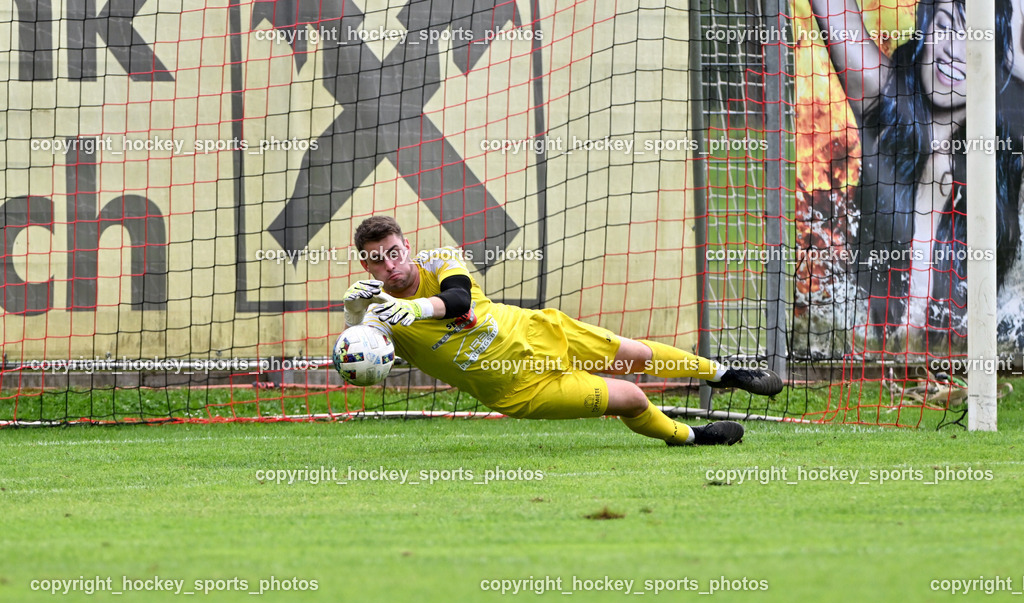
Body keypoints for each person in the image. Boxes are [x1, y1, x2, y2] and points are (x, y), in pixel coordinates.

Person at [341, 216, 783, 446]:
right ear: (366, 264)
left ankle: (726, 375)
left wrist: (414, 308)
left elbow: (458, 301)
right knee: (632, 398)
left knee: (634, 355)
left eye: (394, 252)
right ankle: (691, 437)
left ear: (408, 248)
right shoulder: (376, 314)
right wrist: (354, 320)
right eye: (377, 259)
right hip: (519, 389)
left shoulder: (437, 261)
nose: (389, 265)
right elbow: (361, 359)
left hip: (538, 333)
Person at [812, 0, 1020, 353]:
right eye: (944, 25)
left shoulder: (1006, 140)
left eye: (974, 38)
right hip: (873, 339)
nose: (953, 50)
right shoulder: (884, 95)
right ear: (925, 30)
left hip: (975, 345)